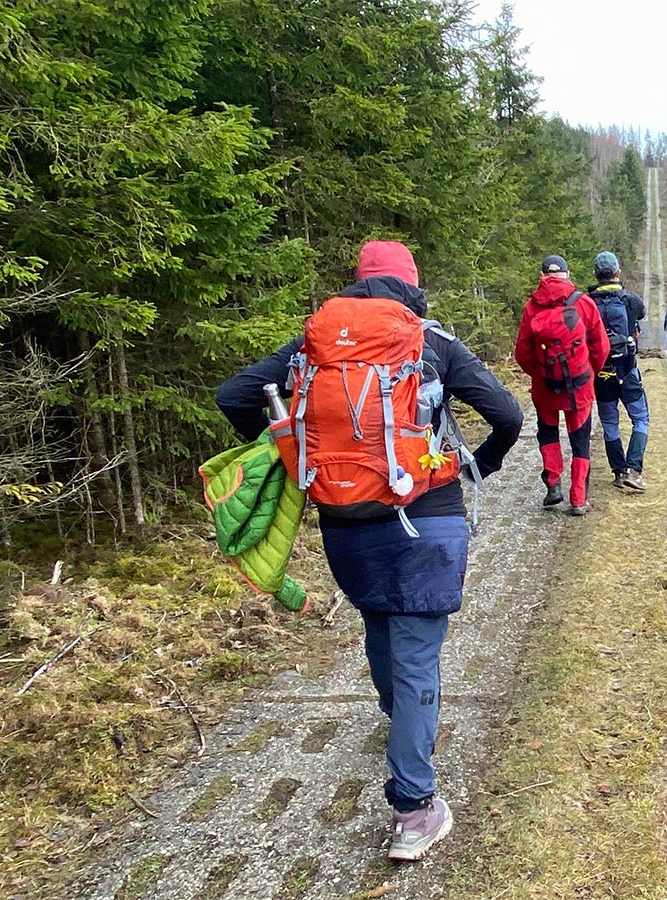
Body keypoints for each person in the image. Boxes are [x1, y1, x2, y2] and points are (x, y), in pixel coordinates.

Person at [215, 240, 522, 860]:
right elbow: (508, 414)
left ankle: (403, 726)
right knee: (416, 655)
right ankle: (414, 805)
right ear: (412, 286)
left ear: (357, 285)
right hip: (425, 518)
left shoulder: (315, 346)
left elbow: (233, 396)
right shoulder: (430, 341)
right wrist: (475, 467)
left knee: (381, 625)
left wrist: (297, 455)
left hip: (344, 522)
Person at [515, 255, 610, 516]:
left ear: (542, 276)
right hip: (579, 387)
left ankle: (553, 484)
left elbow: (522, 354)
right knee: (580, 441)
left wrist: (539, 375)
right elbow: (601, 347)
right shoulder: (584, 304)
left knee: (548, 433)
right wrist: (588, 373)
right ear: (567, 275)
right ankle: (578, 499)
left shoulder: (531, 308)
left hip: (545, 387)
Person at [587, 251, 650, 492]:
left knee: (610, 423)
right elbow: (641, 314)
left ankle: (618, 472)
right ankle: (634, 471)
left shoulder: (586, 303)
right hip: (628, 371)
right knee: (640, 419)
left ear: (596, 274)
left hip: (601, 375)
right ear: (617, 273)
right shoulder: (630, 301)